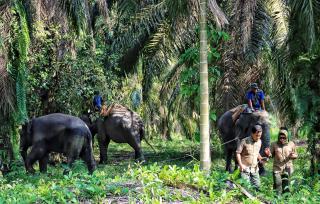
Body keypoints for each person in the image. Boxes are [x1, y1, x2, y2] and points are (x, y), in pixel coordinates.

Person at [270, 128, 298, 195]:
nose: (282, 139)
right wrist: (268, 154)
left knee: (286, 186)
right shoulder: (274, 144)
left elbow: (296, 155)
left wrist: (292, 156)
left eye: (284, 138)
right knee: (277, 184)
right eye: (280, 138)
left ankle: (286, 200)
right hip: (277, 168)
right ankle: (277, 200)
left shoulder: (291, 144)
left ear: (287, 137)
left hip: (288, 169)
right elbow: (271, 155)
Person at [236, 124, 264, 190]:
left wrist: (260, 158)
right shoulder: (244, 141)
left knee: (257, 187)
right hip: (245, 168)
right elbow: (238, 153)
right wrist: (240, 165)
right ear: (252, 133)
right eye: (257, 135)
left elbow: (256, 152)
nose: (258, 137)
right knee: (246, 188)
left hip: (254, 169)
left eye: (260, 136)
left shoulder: (259, 142)